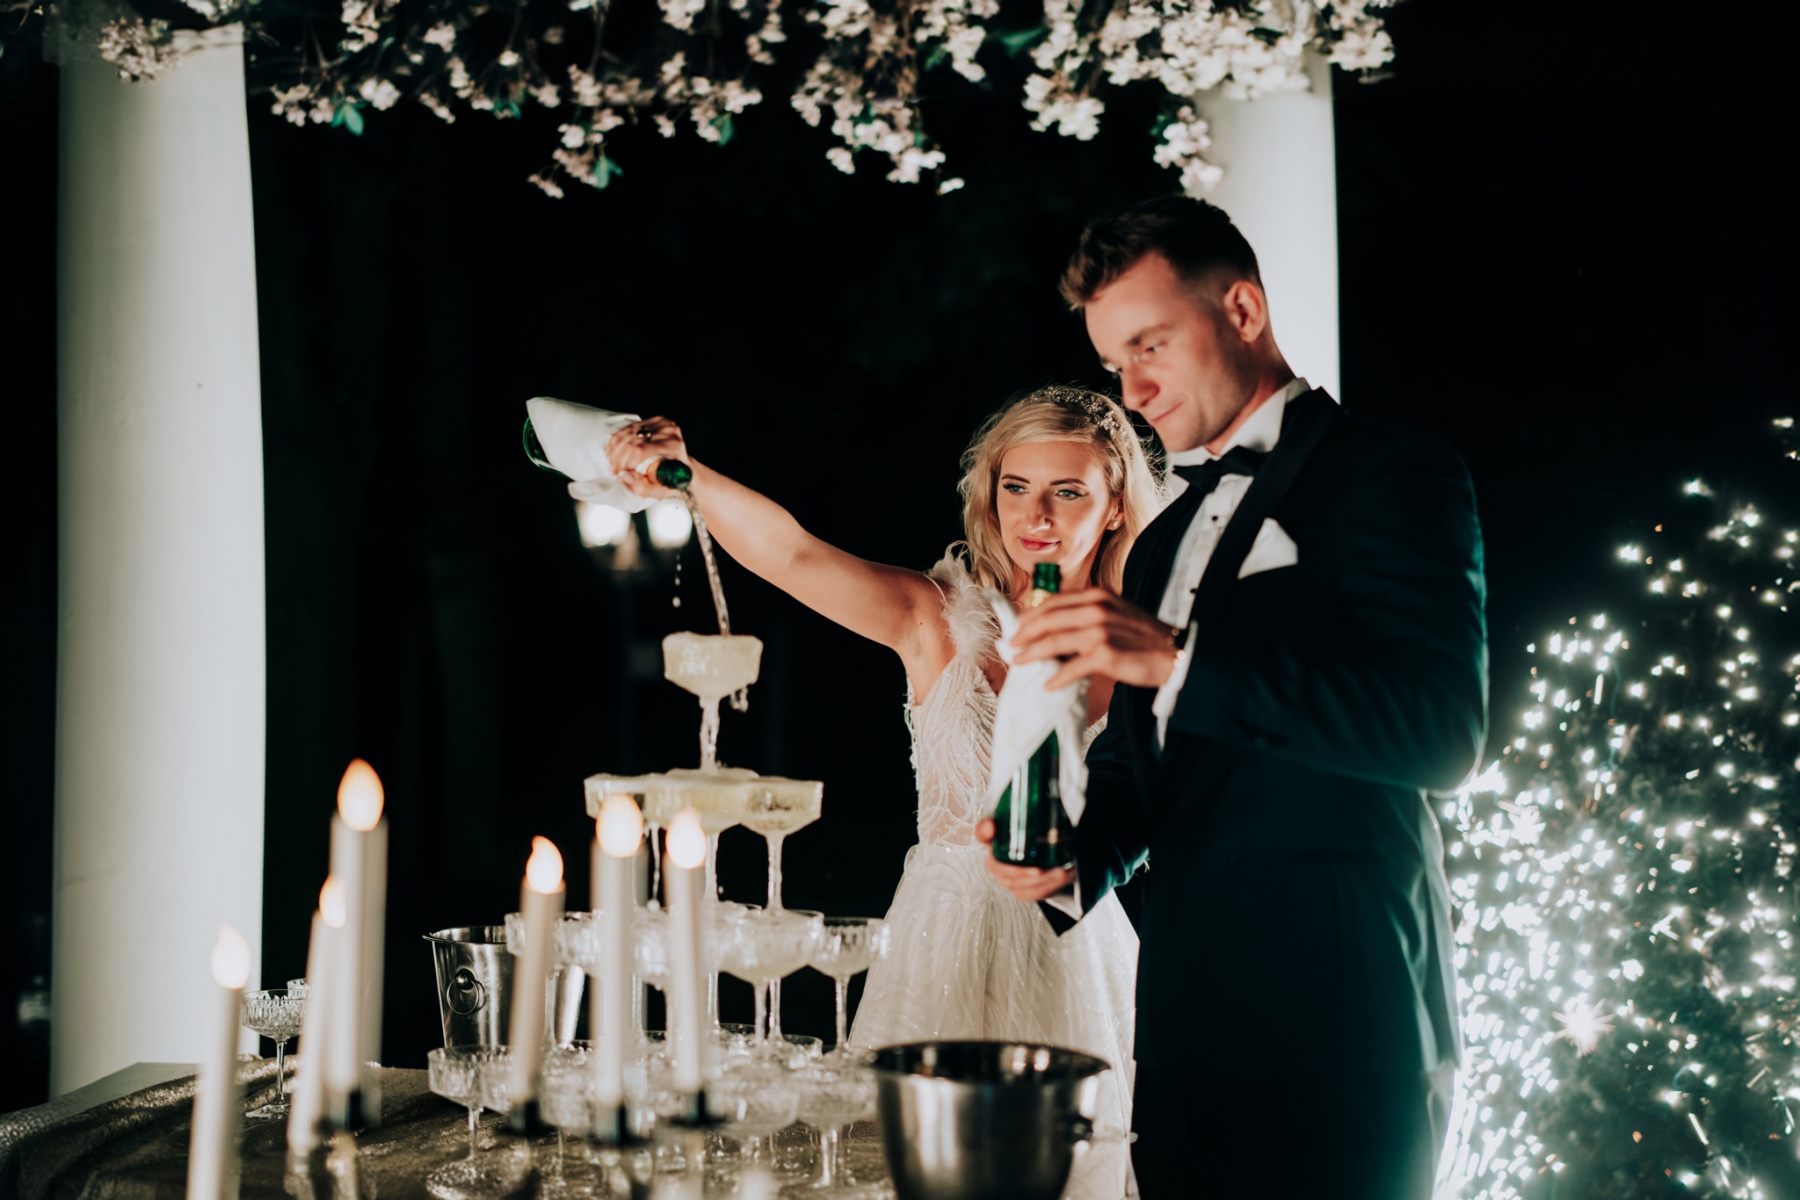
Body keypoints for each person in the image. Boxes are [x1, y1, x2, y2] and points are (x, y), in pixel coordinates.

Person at [981, 196, 1487, 1199]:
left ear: (1243, 310)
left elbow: (1439, 734)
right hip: (1180, 1038)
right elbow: (1141, 764)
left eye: (1150, 346)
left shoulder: (1389, 472)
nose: (1133, 389)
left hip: (1342, 1036)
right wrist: (1071, 858)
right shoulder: (1163, 540)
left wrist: (1178, 658)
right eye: (1114, 362)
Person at [607, 385, 1161, 1199]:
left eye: (1068, 491)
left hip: (1081, 946)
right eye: (1016, 486)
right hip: (943, 936)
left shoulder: (1149, 649)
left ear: (1114, 507)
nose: (1035, 514)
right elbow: (792, 554)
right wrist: (689, 475)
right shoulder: (933, 616)